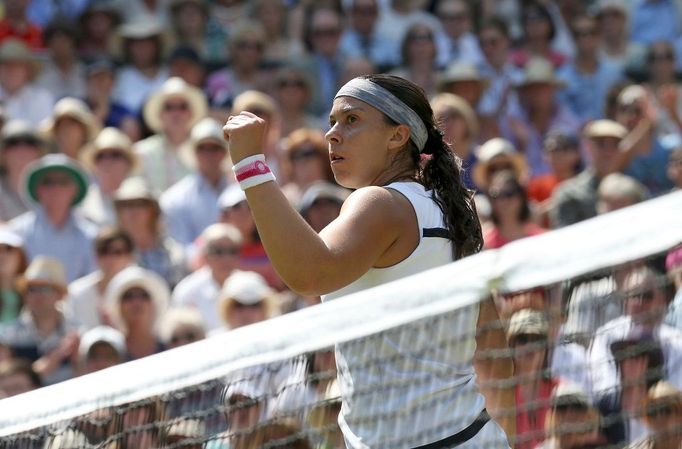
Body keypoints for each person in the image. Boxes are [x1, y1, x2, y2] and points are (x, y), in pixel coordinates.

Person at [223, 74, 510, 448]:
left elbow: (310, 273)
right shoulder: (449, 212)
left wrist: (250, 165)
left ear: (397, 136)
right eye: (332, 123)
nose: (332, 134)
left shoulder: (379, 202)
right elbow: (495, 354)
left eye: (352, 120)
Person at [9, 154, 97, 282]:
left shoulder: (91, 235)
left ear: (74, 189)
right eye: (48, 182)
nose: (56, 188)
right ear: (38, 189)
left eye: (63, 182)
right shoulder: (16, 233)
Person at [160, 117, 230, 250]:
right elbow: (180, 248)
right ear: (194, 152)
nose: (209, 154)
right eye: (202, 148)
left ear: (224, 152)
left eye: (214, 148)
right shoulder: (175, 198)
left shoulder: (240, 191)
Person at [172, 223, 243, 331]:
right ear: (205, 255)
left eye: (232, 251)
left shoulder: (252, 284)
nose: (226, 258)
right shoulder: (188, 291)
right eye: (218, 251)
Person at [66, 227, 136, 330]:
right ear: (95, 256)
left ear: (130, 257)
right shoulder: (77, 292)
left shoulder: (142, 293)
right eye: (104, 251)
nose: (110, 258)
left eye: (117, 252)